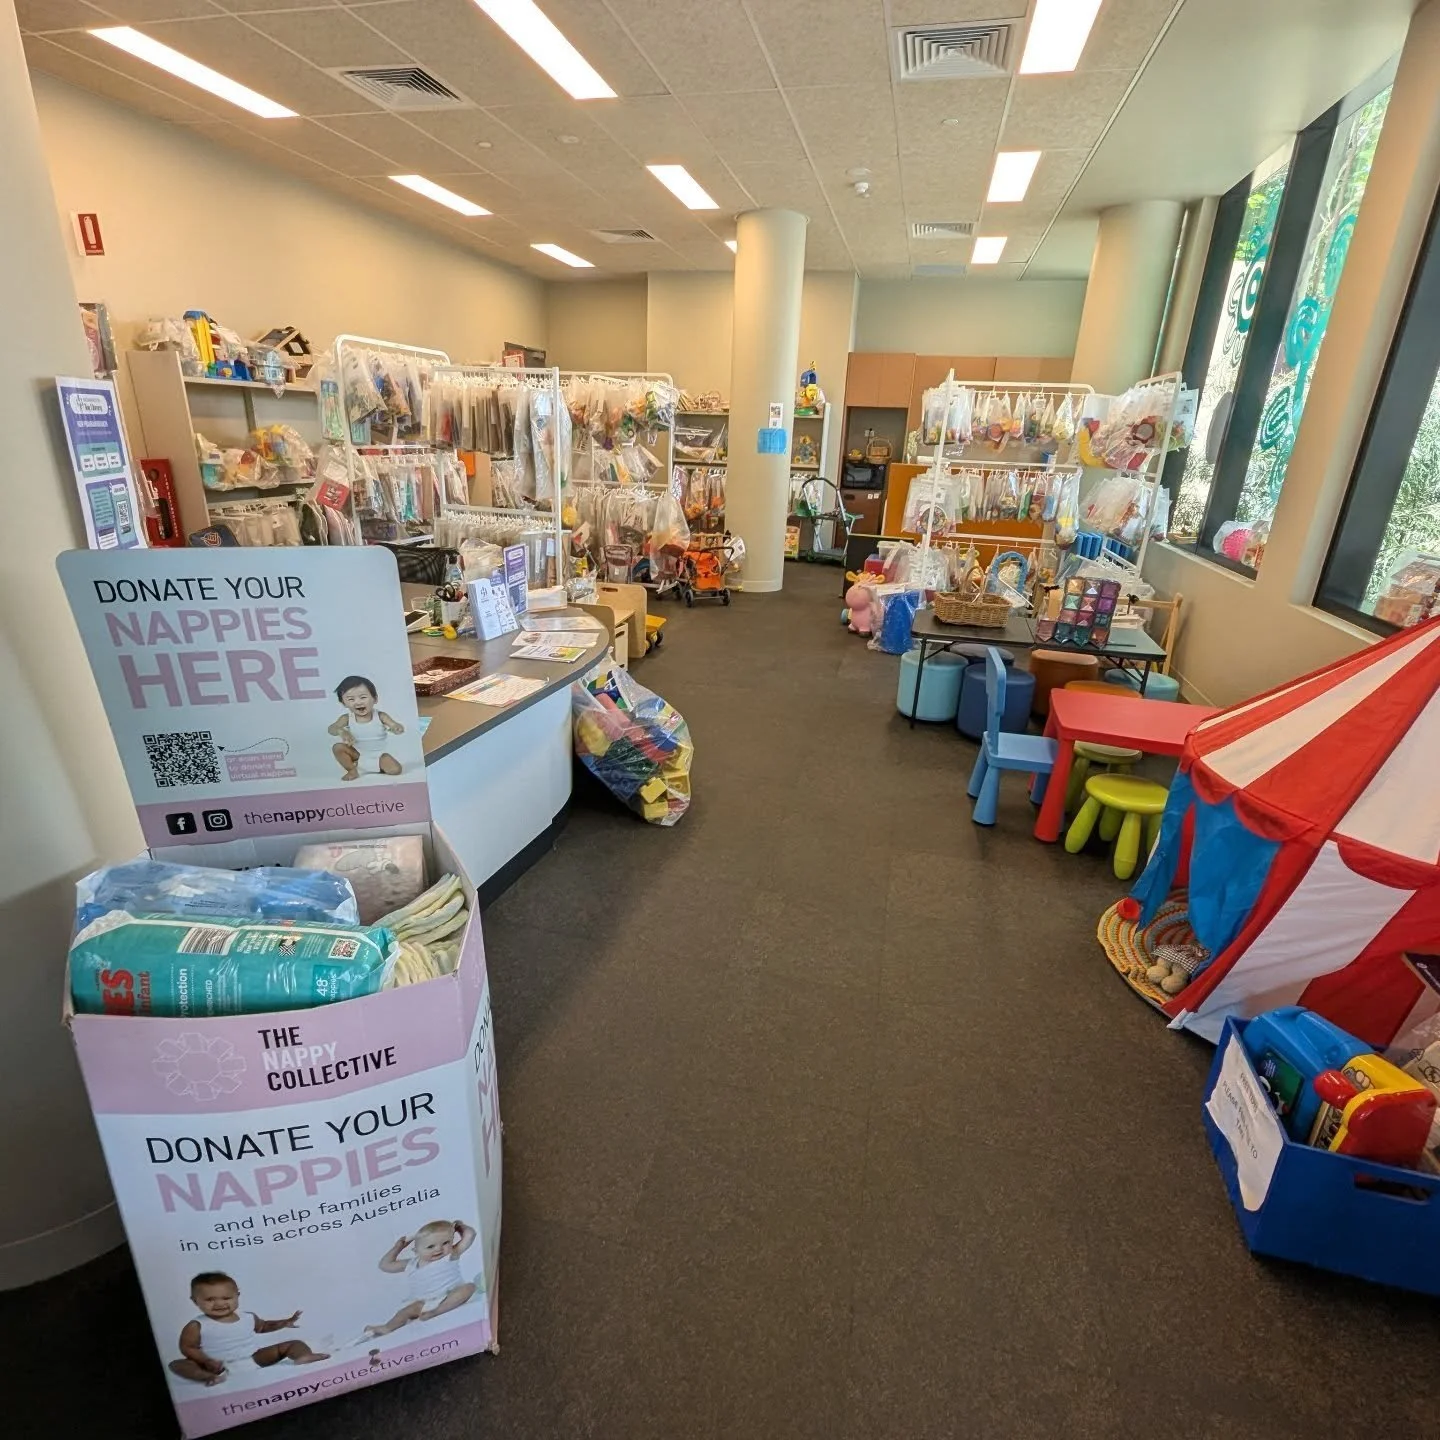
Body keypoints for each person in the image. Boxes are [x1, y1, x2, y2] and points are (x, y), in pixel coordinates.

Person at [169, 1273, 328, 1386]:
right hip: (217, 1365)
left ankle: (304, 1356)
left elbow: (264, 1326)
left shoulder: (247, 1317)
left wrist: (284, 1322)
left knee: (294, 1343)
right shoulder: (196, 1325)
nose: (219, 1304)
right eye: (210, 1299)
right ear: (195, 1301)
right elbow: (188, 1347)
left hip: (253, 1358)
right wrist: (206, 1361)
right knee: (177, 1364)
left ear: (237, 1295)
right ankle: (208, 1377)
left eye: (226, 1298)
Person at [365, 1220, 476, 1338]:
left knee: (469, 1287)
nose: (438, 1249)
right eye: (430, 1246)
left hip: (450, 1295)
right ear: (416, 1251)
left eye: (445, 1243)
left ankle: (437, 1311)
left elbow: (470, 1235)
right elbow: (385, 1265)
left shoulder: (451, 1254)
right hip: (424, 1303)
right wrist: (397, 1248)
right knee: (406, 1311)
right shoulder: (411, 1264)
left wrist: (459, 1227)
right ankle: (387, 1327)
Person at [327, 675, 405, 781]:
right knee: (337, 747)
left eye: (363, 697)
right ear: (343, 703)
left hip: (378, 756)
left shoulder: (381, 716)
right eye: (351, 699)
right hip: (356, 755)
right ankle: (352, 769)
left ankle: (376, 767)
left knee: (396, 770)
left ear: (375, 699)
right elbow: (331, 728)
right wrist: (341, 730)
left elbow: (395, 725)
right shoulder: (346, 718)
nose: (358, 702)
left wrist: (397, 728)